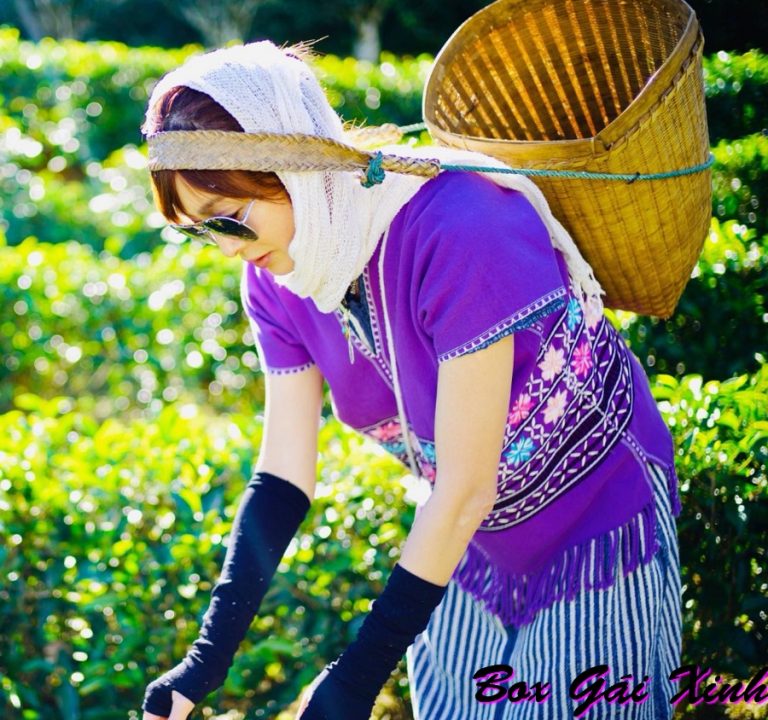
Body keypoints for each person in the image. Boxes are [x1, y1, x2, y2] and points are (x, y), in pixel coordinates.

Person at [139, 40, 683, 720]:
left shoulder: (462, 226)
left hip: (598, 524)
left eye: (230, 217)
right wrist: (204, 662)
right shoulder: (280, 279)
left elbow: (464, 486)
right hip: (472, 547)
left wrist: (354, 680)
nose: (227, 247)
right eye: (199, 230)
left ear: (296, 163)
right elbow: (282, 479)